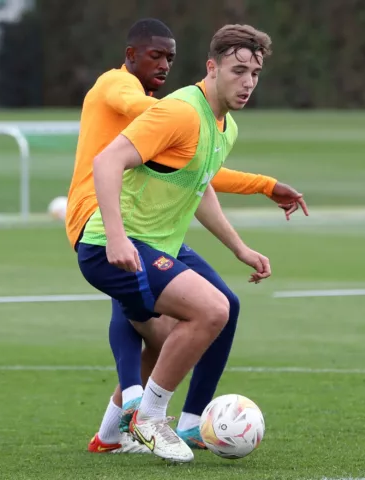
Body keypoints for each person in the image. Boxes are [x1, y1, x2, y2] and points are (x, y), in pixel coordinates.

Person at [65, 20, 305, 456]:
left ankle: (141, 431)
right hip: (111, 244)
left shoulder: (225, 128)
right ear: (212, 68)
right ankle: (150, 421)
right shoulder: (177, 110)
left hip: (155, 245)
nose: (248, 82)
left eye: (255, 74)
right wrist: (117, 238)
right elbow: (106, 162)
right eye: (238, 71)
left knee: (203, 319)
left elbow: (201, 188)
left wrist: (240, 248)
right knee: (208, 310)